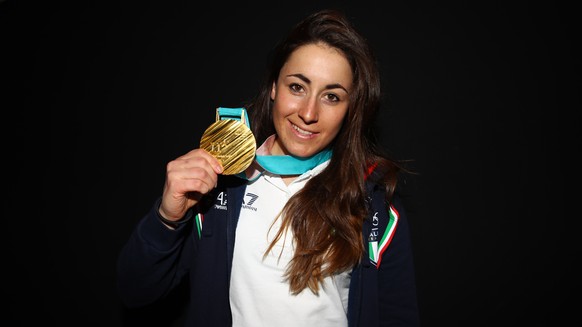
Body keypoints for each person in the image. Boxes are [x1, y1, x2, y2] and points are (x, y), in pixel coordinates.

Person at [117, 8, 420, 327]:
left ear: (350, 108)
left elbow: (397, 316)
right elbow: (136, 291)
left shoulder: (373, 203)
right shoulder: (220, 187)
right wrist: (167, 219)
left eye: (331, 96)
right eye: (297, 87)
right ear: (274, 87)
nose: (308, 112)